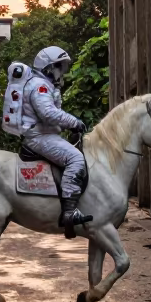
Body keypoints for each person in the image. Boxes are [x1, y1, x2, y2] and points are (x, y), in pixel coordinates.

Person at [22, 45, 92, 233]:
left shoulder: (44, 85)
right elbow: (48, 113)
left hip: (45, 134)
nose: (63, 71)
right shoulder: (40, 85)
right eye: (60, 66)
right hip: (39, 137)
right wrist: (74, 122)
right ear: (49, 67)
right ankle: (69, 212)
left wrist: (69, 126)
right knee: (75, 158)